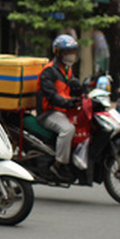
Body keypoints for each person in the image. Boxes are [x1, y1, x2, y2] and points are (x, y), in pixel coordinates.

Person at [37, 34, 81, 181]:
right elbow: (52, 96)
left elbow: (74, 85)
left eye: (73, 51)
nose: (71, 55)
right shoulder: (48, 71)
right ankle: (58, 165)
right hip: (48, 113)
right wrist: (70, 103)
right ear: (58, 53)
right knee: (68, 129)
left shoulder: (66, 70)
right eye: (67, 52)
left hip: (63, 111)